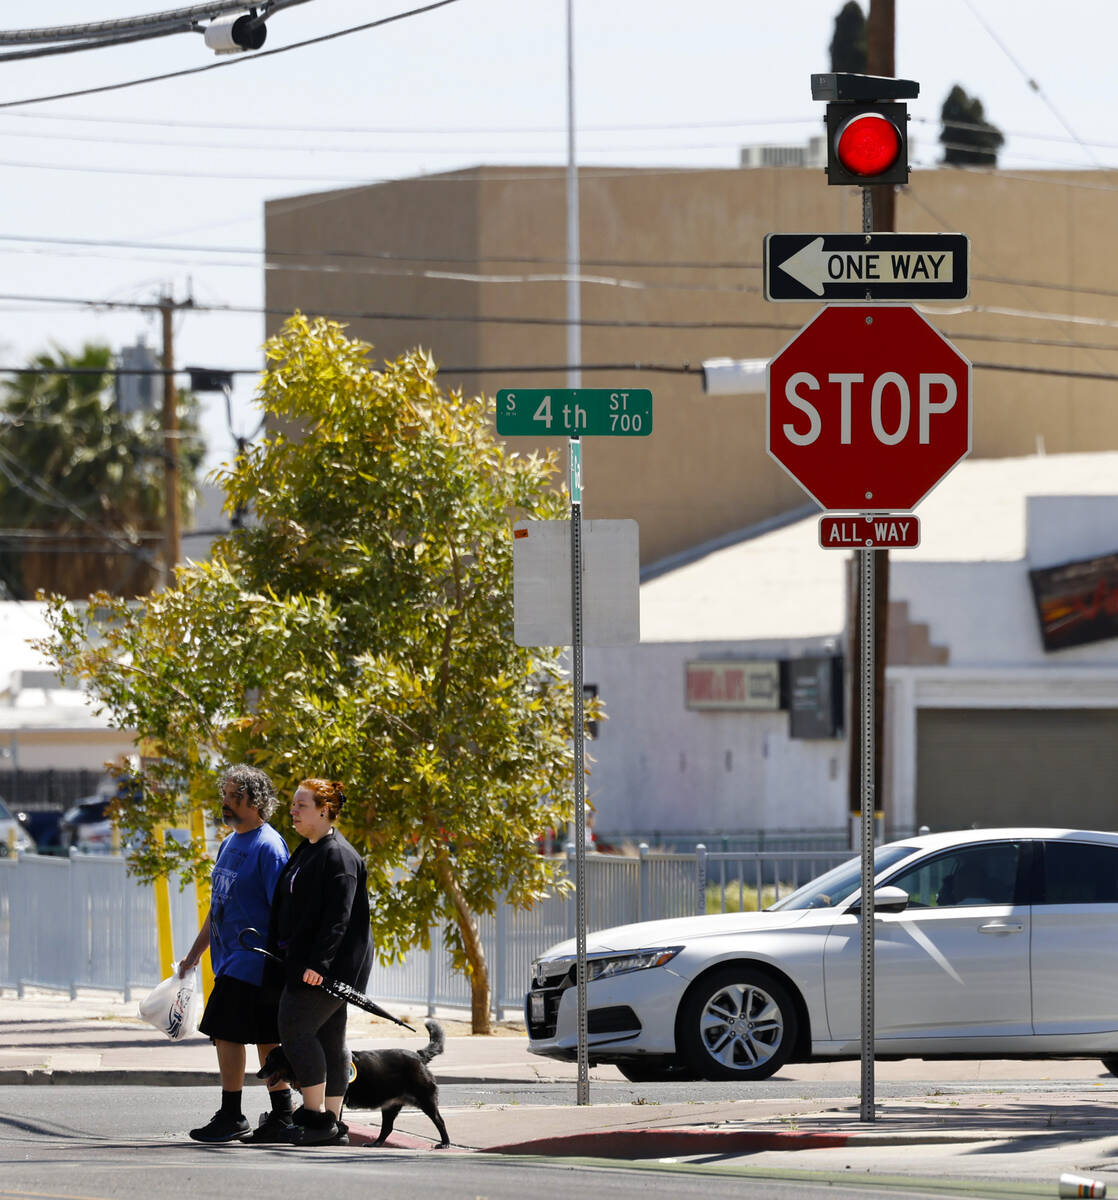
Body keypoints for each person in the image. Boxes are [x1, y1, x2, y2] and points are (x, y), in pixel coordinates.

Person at [179, 764, 293, 1144]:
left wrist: (286, 964)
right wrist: (195, 954)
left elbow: (285, 909)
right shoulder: (229, 843)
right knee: (264, 1038)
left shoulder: (269, 847)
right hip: (228, 958)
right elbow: (219, 905)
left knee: (226, 1032)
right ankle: (281, 1117)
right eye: (224, 795)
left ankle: (232, 1115)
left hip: (255, 958)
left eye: (233, 796)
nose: (225, 802)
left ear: (256, 801)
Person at [265, 777, 373, 1146]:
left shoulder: (339, 855)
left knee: (293, 1027)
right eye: (293, 805)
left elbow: (338, 920)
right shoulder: (309, 847)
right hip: (306, 962)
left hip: (327, 969)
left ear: (325, 811)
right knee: (329, 1036)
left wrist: (321, 965)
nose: (292, 811)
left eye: (301, 805)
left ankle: (315, 1117)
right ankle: (333, 1121)